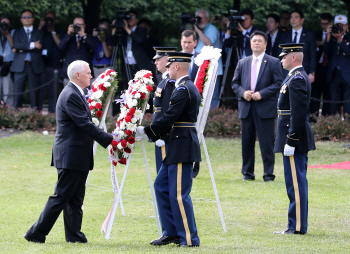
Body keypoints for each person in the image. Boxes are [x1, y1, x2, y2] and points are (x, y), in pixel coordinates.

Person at [24, 60, 114, 244]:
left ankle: (74, 235)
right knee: (62, 196)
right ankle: (36, 232)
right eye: (88, 73)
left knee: (75, 197)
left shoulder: (75, 93)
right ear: (78, 75)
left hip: (76, 154)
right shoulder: (71, 94)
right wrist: (109, 139)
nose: (91, 75)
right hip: (71, 155)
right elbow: (84, 124)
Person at [136, 52, 201, 247]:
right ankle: (171, 232)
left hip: (182, 146)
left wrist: (147, 131)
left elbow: (169, 117)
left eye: (170, 65)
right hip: (176, 144)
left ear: (176, 67)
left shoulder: (183, 89)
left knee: (179, 194)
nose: (167, 68)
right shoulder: (182, 88)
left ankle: (189, 238)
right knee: (161, 186)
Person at [274, 43, 315, 235]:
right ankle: (295, 224)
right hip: (292, 136)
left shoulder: (297, 79)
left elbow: (298, 114)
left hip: (294, 138)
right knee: (294, 183)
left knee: (296, 184)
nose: (281, 60)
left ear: (293, 58)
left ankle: (296, 226)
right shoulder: (293, 77)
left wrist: (291, 140)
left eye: (284, 56)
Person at [231, 31, 283, 181]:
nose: (256, 43)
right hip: (246, 107)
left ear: (265, 44)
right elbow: (235, 83)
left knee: (267, 143)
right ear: (250, 43)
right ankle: (247, 173)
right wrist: (242, 92)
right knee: (246, 143)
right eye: (254, 41)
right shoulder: (243, 62)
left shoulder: (273, 62)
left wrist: (262, 93)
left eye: (260, 41)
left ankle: (268, 174)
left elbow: (278, 83)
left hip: (265, 107)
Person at [11, 9, 45, 109]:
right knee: (18, 91)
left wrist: (22, 47)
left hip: (33, 65)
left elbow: (39, 46)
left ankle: (35, 116)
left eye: (29, 16)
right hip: (19, 66)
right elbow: (16, 45)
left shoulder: (39, 32)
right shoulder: (17, 32)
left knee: (34, 91)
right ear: (21, 20)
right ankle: (15, 114)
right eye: (24, 17)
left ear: (33, 19)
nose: (27, 19)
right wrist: (32, 44)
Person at [151, 46, 177, 173]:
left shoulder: (170, 81)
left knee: (163, 174)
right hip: (160, 132)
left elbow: (167, 110)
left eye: (158, 59)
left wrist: (160, 132)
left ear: (167, 59)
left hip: (164, 135)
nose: (155, 62)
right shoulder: (164, 80)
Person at [110, 10, 153, 81]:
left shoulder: (142, 30)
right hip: (127, 66)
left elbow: (139, 40)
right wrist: (114, 29)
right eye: (128, 17)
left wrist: (127, 29)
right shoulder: (123, 32)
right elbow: (111, 43)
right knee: (128, 87)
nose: (130, 18)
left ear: (137, 20)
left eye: (133, 16)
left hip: (140, 65)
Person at [193, 9, 223, 109]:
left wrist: (197, 31)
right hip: (200, 69)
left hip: (212, 70)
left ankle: (213, 119)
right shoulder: (202, 30)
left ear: (208, 18)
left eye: (202, 18)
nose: (200, 20)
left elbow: (209, 43)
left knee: (212, 98)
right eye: (198, 18)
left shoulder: (212, 29)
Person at [38, 11, 64, 113]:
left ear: (55, 20)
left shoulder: (59, 31)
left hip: (55, 65)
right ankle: (38, 112)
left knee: (53, 92)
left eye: (51, 19)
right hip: (41, 66)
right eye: (47, 19)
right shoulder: (41, 31)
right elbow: (35, 40)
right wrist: (40, 26)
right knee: (40, 91)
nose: (49, 21)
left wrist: (53, 31)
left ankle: (52, 113)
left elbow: (61, 46)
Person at [324, 15, 350, 116]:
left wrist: (340, 39)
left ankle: (348, 125)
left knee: (348, 100)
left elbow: (348, 52)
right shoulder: (332, 38)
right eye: (337, 25)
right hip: (334, 72)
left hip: (347, 73)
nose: (340, 28)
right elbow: (326, 51)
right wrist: (329, 36)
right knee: (334, 99)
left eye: (342, 25)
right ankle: (333, 123)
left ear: (346, 26)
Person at [280, 10, 316, 82]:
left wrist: (312, 72)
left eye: (296, 17)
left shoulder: (309, 35)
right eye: (291, 17)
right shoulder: (284, 35)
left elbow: (313, 54)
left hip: (304, 70)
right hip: (286, 71)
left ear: (302, 20)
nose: (293, 20)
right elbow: (280, 53)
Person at [59, 16, 96, 85]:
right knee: (69, 94)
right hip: (69, 73)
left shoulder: (88, 37)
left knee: (84, 95)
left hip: (84, 73)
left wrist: (83, 35)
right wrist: (68, 33)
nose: (78, 26)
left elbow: (93, 47)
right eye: (76, 25)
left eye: (80, 25)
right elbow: (61, 47)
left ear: (84, 25)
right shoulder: (69, 37)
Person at [309, 13, 333, 117]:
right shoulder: (316, 35)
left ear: (330, 23)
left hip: (330, 68)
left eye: (326, 24)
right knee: (315, 93)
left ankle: (326, 118)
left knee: (328, 94)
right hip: (318, 68)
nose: (323, 26)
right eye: (322, 24)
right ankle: (313, 117)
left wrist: (325, 42)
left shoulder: (335, 35)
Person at [0, 15, 14, 106]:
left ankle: (8, 109)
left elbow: (15, 46)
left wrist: (7, 34)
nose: (4, 25)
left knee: (8, 89)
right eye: (2, 23)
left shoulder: (13, 33)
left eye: (7, 23)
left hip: (9, 65)